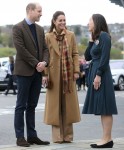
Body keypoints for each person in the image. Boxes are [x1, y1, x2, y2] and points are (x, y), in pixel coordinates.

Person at [12, 2, 50, 147]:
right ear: (30, 10)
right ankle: (20, 137)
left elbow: (46, 49)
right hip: (24, 72)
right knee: (20, 105)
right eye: (39, 11)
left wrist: (44, 63)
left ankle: (32, 136)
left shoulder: (40, 30)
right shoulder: (17, 28)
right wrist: (37, 63)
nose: (41, 14)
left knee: (32, 105)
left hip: (37, 72)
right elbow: (21, 49)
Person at [42, 11, 81, 143]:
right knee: (55, 107)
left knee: (68, 106)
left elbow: (75, 54)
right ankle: (57, 137)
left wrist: (76, 71)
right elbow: (44, 56)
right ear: (54, 21)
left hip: (68, 75)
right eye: (60, 20)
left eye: (64, 20)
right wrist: (45, 74)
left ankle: (68, 136)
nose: (63, 23)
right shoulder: (47, 36)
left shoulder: (71, 35)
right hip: (53, 75)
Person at [82, 14, 118, 148]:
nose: (87, 23)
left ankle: (107, 139)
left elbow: (104, 57)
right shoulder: (96, 38)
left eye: (89, 21)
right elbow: (87, 56)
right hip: (96, 72)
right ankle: (105, 138)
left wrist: (98, 75)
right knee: (102, 107)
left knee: (105, 107)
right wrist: (91, 40)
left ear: (96, 22)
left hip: (101, 74)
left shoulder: (104, 36)